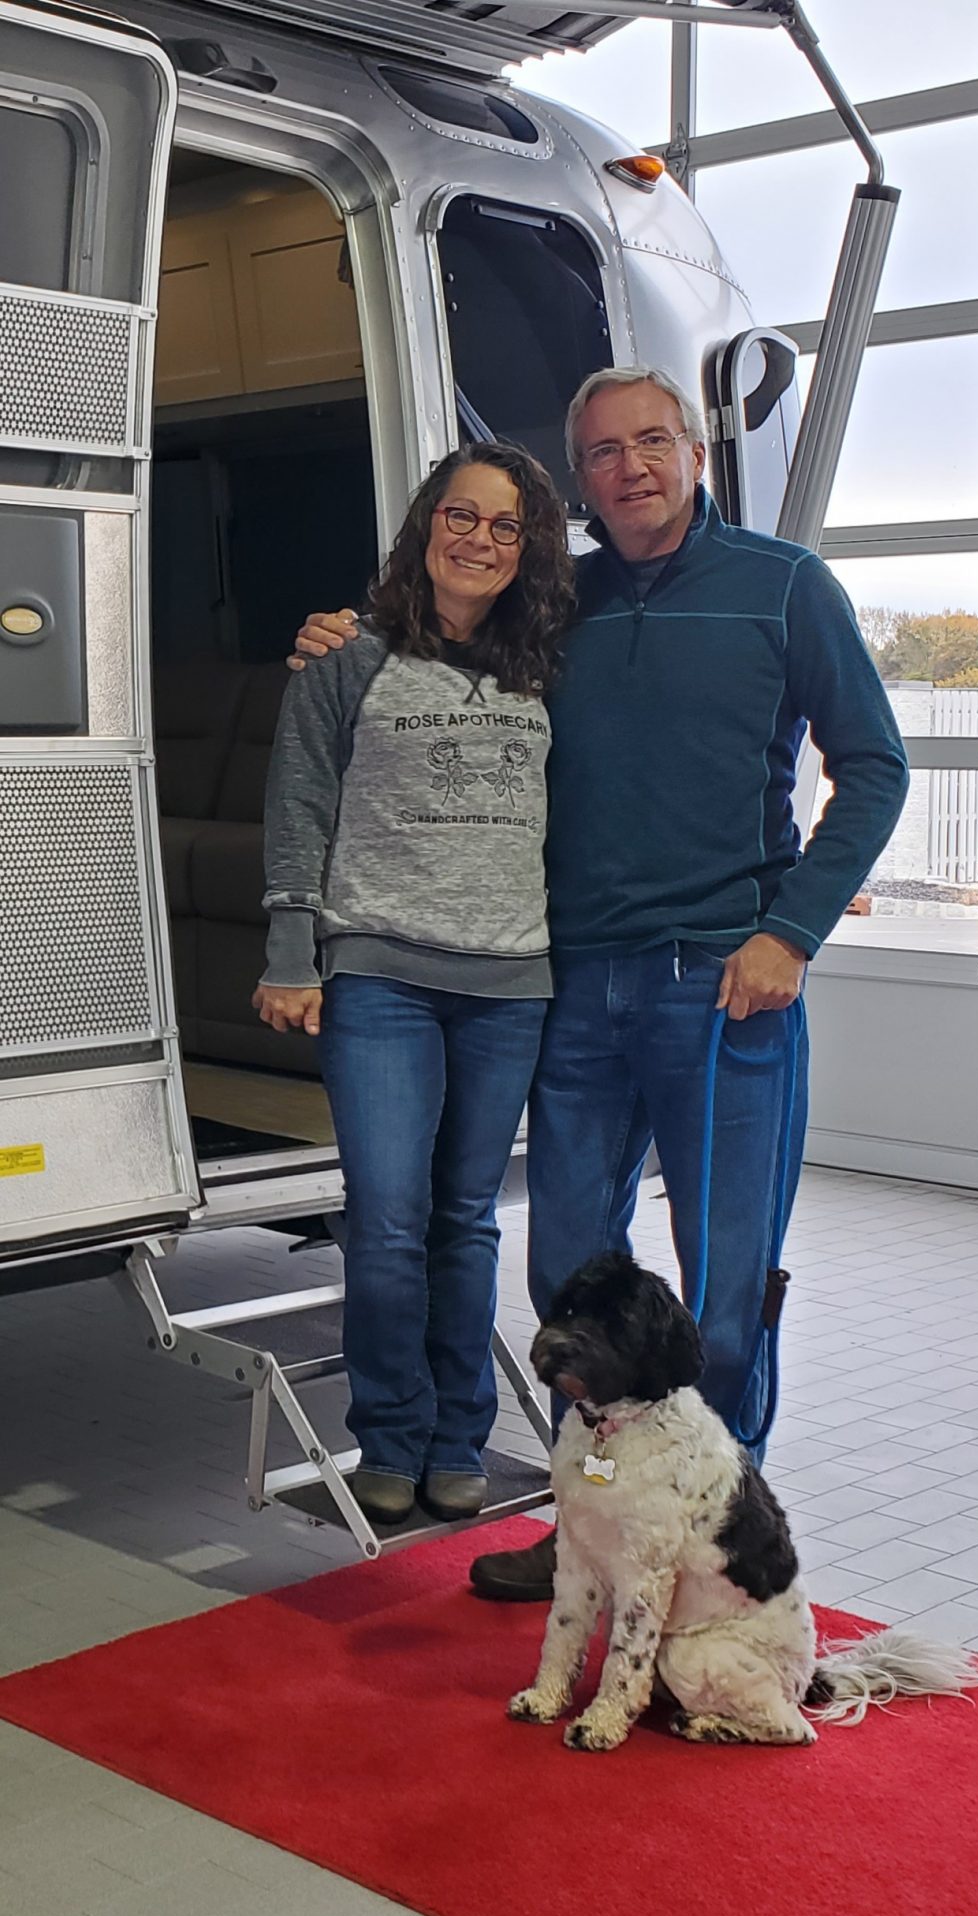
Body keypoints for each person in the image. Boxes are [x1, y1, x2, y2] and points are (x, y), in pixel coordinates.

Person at [288, 366, 909, 1594]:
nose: (631, 467)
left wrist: (791, 931)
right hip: (572, 989)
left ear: (695, 452)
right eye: (605, 451)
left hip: (723, 988)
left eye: (653, 441)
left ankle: (714, 1546)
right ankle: (592, 1527)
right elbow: (432, 650)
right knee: (567, 1279)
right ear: (577, 476)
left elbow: (874, 767)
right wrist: (337, 636)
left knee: (724, 1285)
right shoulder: (554, 602)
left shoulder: (785, 587)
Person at [255, 444, 573, 1527]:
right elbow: (299, 801)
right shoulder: (348, 655)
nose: (479, 539)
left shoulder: (550, 662)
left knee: (465, 1221)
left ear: (529, 548)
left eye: (506, 525)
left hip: (508, 982)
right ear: (426, 524)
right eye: (461, 515)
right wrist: (291, 952)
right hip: (379, 974)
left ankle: (458, 1436)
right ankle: (390, 1435)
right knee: (388, 1218)